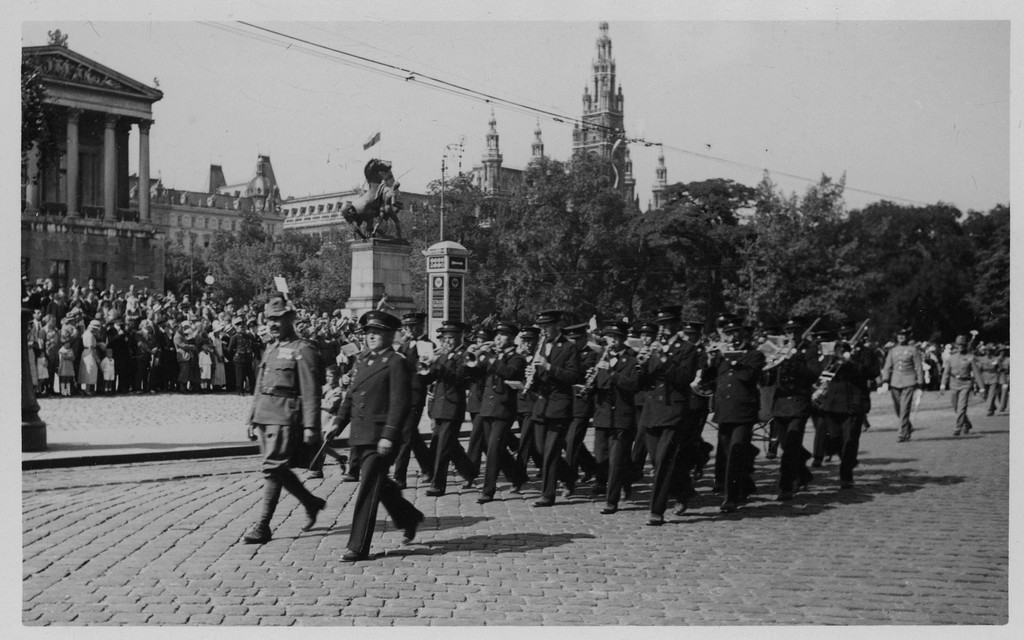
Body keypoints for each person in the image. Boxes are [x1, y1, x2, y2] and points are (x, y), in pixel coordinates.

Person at [331, 310, 424, 562]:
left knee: (369, 486)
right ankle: (409, 516)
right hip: (360, 434)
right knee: (380, 485)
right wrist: (337, 423)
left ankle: (358, 546)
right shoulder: (363, 360)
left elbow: (399, 403)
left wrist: (389, 435)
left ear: (390, 335)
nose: (372, 337)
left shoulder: (396, 362)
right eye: (368, 333)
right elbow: (351, 395)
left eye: (378, 333)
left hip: (381, 436)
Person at [241, 296, 326, 545]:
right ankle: (312, 503)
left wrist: (311, 425)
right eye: (270, 320)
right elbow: (260, 384)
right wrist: (251, 417)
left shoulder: (303, 349)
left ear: (291, 319)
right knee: (277, 469)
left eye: (279, 319)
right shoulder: (270, 348)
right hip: (265, 414)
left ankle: (263, 526)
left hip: (285, 415)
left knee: (271, 469)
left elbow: (311, 390)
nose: (274, 324)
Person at [638, 306, 699, 524]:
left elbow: (684, 377)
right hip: (653, 410)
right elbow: (642, 382)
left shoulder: (688, 348)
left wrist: (664, 358)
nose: (663, 328)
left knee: (664, 462)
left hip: (673, 409)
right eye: (661, 324)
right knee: (656, 461)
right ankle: (684, 491)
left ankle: (656, 510)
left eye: (668, 324)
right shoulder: (654, 348)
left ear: (677, 325)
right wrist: (642, 364)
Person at [468, 321, 530, 503]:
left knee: (494, 450)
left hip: (504, 409)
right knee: (495, 448)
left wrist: (491, 358)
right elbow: (474, 375)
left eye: (501, 335)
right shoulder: (492, 355)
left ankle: (488, 490)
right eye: (496, 335)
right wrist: (471, 356)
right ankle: (518, 476)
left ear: (511, 338)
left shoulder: (517, 357)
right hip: (486, 408)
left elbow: (510, 373)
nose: (496, 338)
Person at [709, 314, 765, 513]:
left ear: (743, 335)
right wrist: (710, 359)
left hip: (743, 412)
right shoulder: (721, 355)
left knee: (736, 451)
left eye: (736, 334)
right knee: (727, 453)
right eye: (729, 334)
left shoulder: (754, 355)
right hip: (724, 411)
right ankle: (745, 485)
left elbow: (748, 376)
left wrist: (730, 360)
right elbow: (710, 377)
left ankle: (730, 497)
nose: (732, 338)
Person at [529, 309, 583, 507]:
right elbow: (539, 374)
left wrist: (549, 367)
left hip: (559, 404)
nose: (544, 330)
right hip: (542, 404)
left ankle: (547, 495)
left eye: (547, 326)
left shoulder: (569, 347)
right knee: (541, 449)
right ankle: (569, 476)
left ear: (557, 325)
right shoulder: (541, 344)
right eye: (542, 327)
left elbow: (574, 376)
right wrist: (532, 376)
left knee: (551, 451)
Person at [763, 317, 821, 501]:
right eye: (788, 331)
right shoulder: (778, 348)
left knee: (791, 445)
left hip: (799, 402)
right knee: (786, 445)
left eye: (795, 331)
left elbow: (813, 374)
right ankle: (803, 474)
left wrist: (795, 360)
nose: (792, 335)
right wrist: (770, 366)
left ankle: (785, 487)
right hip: (780, 404)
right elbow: (769, 378)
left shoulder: (809, 349)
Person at [814, 334, 880, 489]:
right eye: (843, 335)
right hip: (833, 402)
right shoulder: (830, 350)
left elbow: (873, 372)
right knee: (834, 438)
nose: (845, 338)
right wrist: (829, 357)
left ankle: (846, 475)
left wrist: (852, 362)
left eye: (849, 334)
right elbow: (819, 371)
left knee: (850, 440)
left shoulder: (864, 352)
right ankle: (848, 461)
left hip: (853, 402)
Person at [421, 320, 476, 496]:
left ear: (459, 338)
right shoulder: (443, 355)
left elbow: (458, 377)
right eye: (444, 339)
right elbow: (430, 378)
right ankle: (470, 471)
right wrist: (424, 367)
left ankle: (438, 485)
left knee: (442, 447)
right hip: (439, 406)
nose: (446, 342)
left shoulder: (464, 355)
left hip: (453, 407)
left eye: (450, 338)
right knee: (449, 445)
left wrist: (440, 364)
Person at [590, 321, 639, 515]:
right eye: (610, 337)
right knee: (602, 457)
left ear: (623, 339)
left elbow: (634, 385)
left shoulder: (632, 359)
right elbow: (598, 383)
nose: (613, 341)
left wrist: (613, 374)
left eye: (617, 338)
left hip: (622, 416)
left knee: (616, 460)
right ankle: (627, 478)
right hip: (603, 415)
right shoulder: (601, 357)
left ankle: (612, 501)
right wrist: (588, 387)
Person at [669, 319, 716, 514]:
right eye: (686, 335)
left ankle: (684, 489)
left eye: (693, 336)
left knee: (686, 445)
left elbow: (711, 376)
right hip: (679, 403)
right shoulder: (678, 349)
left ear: (699, 336)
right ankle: (702, 453)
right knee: (680, 447)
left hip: (696, 403)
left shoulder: (704, 352)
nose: (689, 338)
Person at [393, 312, 436, 489]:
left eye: (413, 327)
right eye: (408, 327)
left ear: (421, 327)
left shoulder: (427, 345)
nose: (409, 330)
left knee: (406, 435)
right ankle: (428, 467)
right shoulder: (404, 345)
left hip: (416, 394)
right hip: (402, 394)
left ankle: (399, 476)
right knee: (412, 435)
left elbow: (428, 373)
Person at [563, 322, 600, 493]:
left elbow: (579, 373)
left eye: (576, 339)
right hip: (565, 404)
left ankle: (569, 481)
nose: (573, 343)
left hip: (581, 404)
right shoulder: (567, 353)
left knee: (571, 443)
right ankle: (591, 466)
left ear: (584, 338)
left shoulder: (592, 355)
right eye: (571, 339)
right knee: (569, 441)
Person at [881, 324, 923, 443]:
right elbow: (887, 366)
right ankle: (907, 427)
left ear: (907, 337)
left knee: (904, 409)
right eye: (899, 335)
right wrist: (885, 381)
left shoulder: (913, 350)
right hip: (895, 382)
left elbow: (918, 367)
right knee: (898, 409)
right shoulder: (892, 350)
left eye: (903, 335)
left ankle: (901, 434)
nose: (901, 337)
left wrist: (920, 385)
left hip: (908, 382)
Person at [940, 335, 983, 435]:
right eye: (959, 344)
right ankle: (966, 423)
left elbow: (976, 373)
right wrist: (942, 385)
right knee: (955, 406)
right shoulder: (952, 358)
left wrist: (982, 388)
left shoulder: (970, 357)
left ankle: (958, 427)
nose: (961, 346)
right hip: (954, 383)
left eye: (963, 345)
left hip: (966, 384)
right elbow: (946, 372)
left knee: (962, 406)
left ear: (966, 345)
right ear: (956, 345)